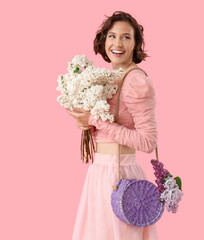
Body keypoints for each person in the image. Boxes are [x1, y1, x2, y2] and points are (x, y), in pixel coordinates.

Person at [66, 11, 159, 240]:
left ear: (136, 43)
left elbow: (148, 142)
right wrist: (85, 123)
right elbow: (109, 127)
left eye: (126, 37)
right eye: (112, 36)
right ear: (104, 40)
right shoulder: (108, 78)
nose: (117, 43)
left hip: (120, 175)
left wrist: (95, 120)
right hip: (99, 172)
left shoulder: (136, 81)